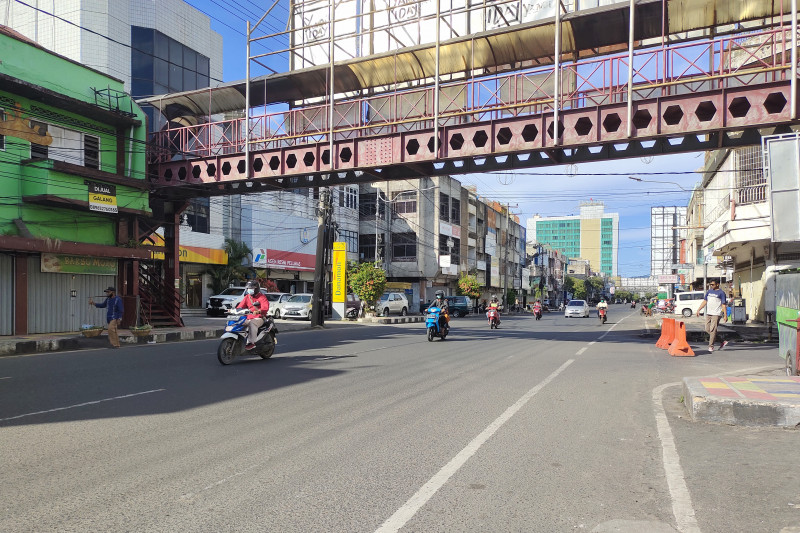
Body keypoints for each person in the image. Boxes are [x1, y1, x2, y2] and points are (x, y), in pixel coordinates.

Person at [236, 280, 270, 350]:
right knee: (238, 321)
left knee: (252, 322)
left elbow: (265, 307)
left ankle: (251, 342)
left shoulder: (262, 297)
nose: (249, 290)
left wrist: (258, 311)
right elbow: (240, 306)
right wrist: (234, 310)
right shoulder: (247, 297)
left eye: (251, 289)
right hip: (248, 317)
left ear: (256, 289)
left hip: (259, 318)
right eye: (248, 289)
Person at [696, 280, 729, 352]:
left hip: (716, 313)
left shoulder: (721, 293)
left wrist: (725, 315)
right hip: (709, 313)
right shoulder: (709, 292)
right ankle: (722, 341)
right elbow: (705, 301)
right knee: (707, 329)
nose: (711, 286)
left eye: (713, 284)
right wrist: (699, 309)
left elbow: (723, 305)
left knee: (713, 330)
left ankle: (711, 346)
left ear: (717, 284)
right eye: (710, 284)